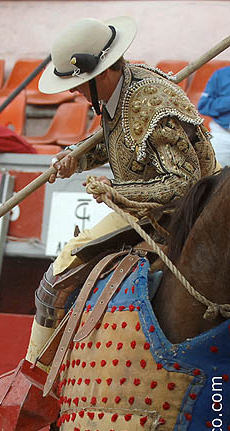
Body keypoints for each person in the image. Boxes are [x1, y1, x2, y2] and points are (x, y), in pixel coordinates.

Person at [25, 16, 218, 363]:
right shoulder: (123, 87)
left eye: (79, 83)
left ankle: (35, 370)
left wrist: (117, 192)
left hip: (178, 209)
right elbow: (125, 141)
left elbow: (184, 184)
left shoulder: (149, 102)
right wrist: (76, 157)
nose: (74, 91)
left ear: (101, 74)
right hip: (155, 200)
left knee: (61, 269)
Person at [198, 65, 230, 167]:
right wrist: (227, 101)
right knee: (216, 175)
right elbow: (203, 106)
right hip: (223, 134)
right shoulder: (220, 75)